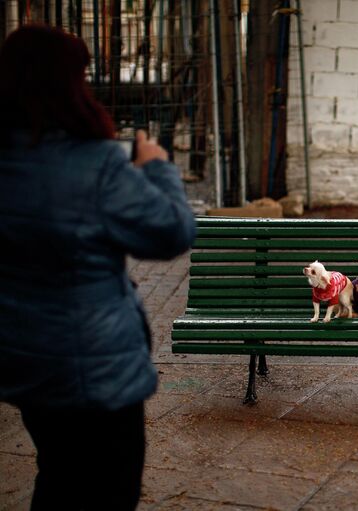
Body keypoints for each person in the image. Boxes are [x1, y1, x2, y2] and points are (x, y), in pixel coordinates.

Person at [0, 25, 196, 510]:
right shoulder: (95, 166)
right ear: (69, 85)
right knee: (108, 489)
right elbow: (171, 232)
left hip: (24, 359)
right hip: (93, 370)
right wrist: (156, 166)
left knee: (58, 471)